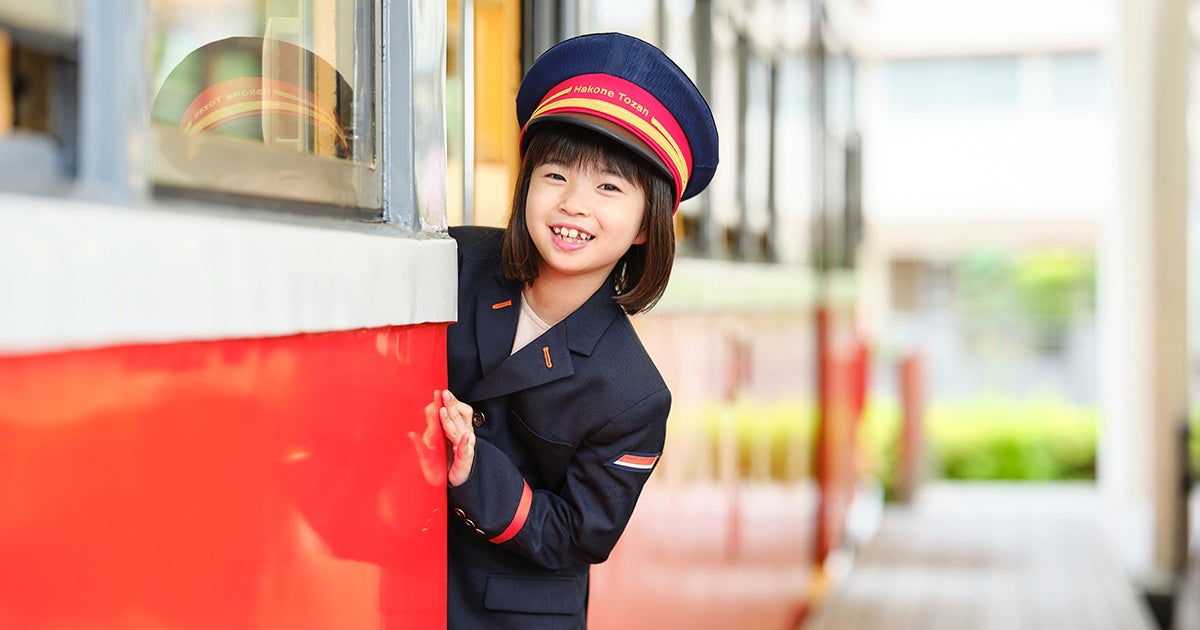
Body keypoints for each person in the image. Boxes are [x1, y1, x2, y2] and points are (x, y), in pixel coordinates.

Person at [432, 32, 718, 629]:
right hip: (395, 577)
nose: (574, 204)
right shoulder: (453, 261)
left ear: (647, 226)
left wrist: (476, 473)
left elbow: (578, 534)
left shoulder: (634, 395)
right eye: (556, 174)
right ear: (527, 184)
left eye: (609, 187)